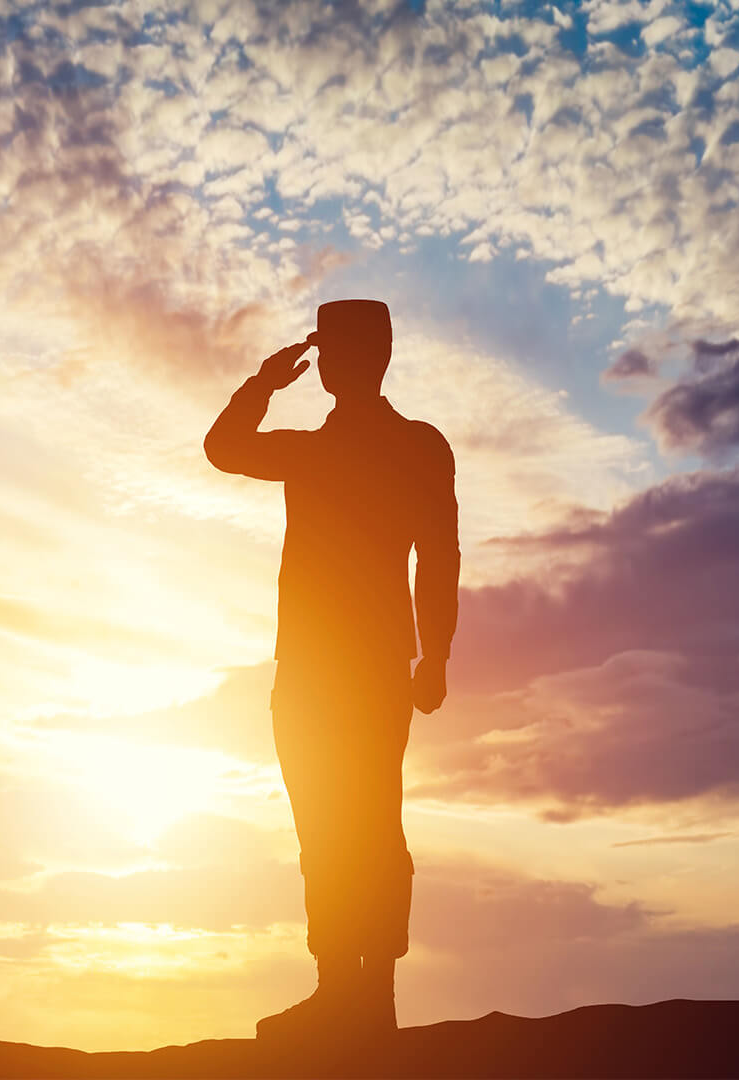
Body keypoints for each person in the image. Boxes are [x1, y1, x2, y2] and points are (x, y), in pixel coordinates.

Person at [202, 299, 459, 1041]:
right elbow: (222, 450)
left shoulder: (404, 447)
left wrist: (436, 650)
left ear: (366, 357)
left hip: (358, 669)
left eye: (346, 349)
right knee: (331, 824)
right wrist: (264, 382)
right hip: (319, 671)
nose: (344, 364)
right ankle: (341, 987)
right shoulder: (328, 450)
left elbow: (440, 555)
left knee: (363, 823)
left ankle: (366, 993)